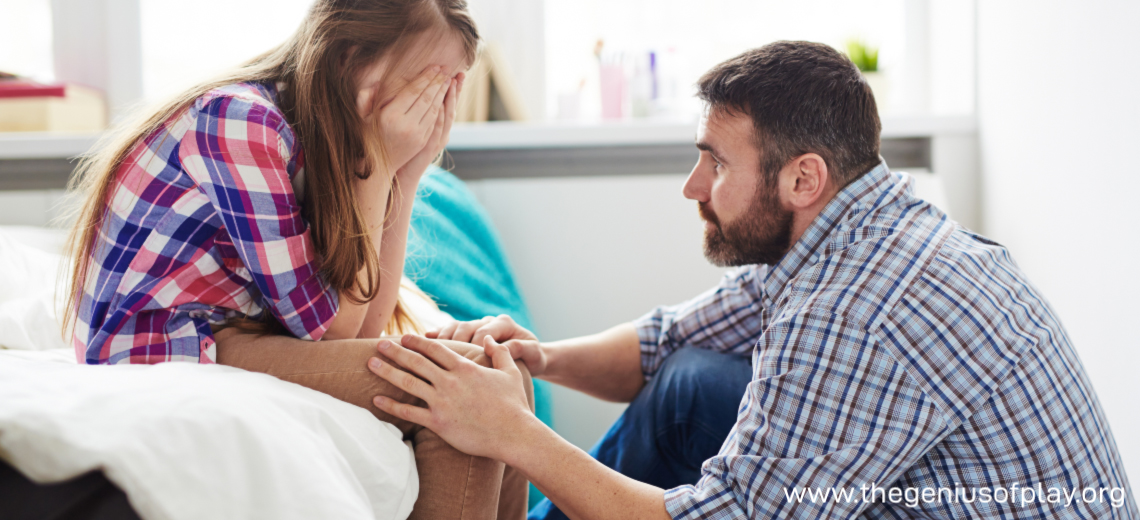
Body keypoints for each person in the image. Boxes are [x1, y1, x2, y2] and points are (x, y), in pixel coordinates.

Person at [365, 41, 1138, 519]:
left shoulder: (852, 313)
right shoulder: (861, 227)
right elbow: (669, 341)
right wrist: (541, 359)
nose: (693, 186)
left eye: (717, 163)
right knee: (691, 382)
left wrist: (510, 433)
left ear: (803, 178)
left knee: (688, 416)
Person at [63, 1, 535, 518]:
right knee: (461, 389)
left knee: (500, 374)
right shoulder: (241, 121)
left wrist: (409, 169)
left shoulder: (320, 140)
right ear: (350, 58)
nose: (427, 109)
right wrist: (380, 162)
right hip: (167, 343)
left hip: (234, 333)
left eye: (444, 89)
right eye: (421, 84)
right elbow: (330, 329)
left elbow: (364, 326)